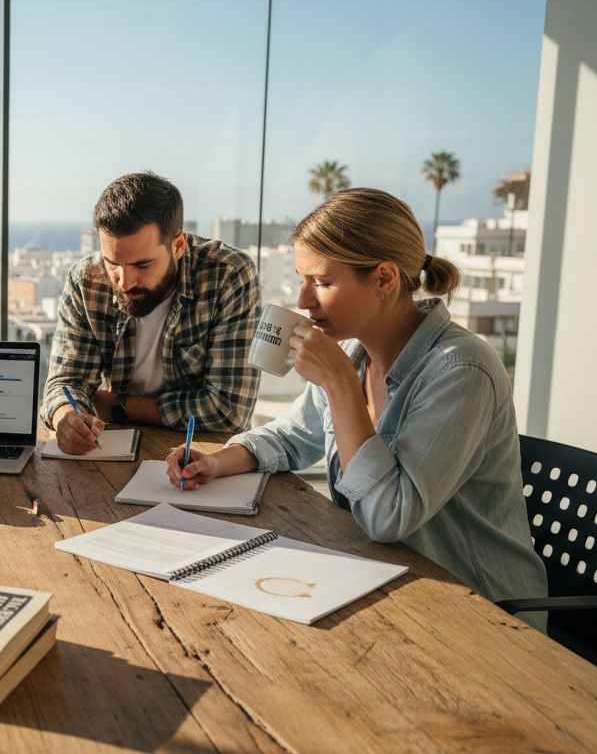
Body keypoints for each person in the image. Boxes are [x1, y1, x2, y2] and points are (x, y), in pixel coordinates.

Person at [165, 187, 547, 627]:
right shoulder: (353, 351)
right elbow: (293, 436)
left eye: (322, 283)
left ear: (384, 279)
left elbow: (388, 517)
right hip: (387, 580)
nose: (304, 301)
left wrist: (340, 384)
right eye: (302, 280)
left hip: (481, 614)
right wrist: (217, 461)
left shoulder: (460, 371)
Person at [42, 171, 261, 454]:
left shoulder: (228, 274)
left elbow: (229, 410)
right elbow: (65, 384)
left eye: (142, 265)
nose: (124, 282)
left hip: (202, 452)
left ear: (178, 245)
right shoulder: (87, 280)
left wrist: (117, 406)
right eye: (112, 263)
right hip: (111, 448)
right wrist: (67, 418)